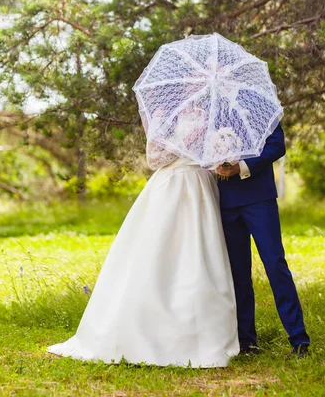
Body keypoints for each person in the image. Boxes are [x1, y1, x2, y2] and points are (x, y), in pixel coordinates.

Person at [48, 117, 240, 367]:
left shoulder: (213, 112)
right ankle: (146, 330)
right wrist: (183, 143)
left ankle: (204, 333)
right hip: (172, 184)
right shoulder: (162, 113)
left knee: (201, 256)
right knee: (160, 253)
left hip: (202, 185)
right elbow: (153, 159)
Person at [216, 122, 310, 357]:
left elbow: (277, 146)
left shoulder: (260, 102)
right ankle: (247, 343)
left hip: (259, 198)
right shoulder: (213, 108)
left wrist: (242, 166)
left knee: (275, 265)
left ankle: (299, 341)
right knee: (238, 274)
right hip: (225, 201)